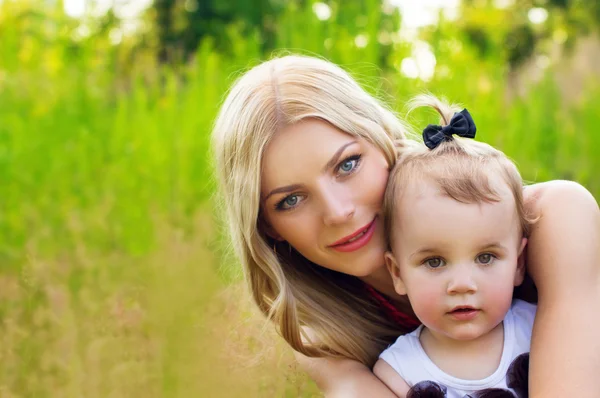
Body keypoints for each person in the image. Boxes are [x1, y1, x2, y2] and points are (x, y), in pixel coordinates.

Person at [211, 54, 600, 397]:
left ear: (384, 141)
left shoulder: (553, 219)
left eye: (347, 164)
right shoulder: (323, 335)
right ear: (269, 227)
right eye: (290, 200)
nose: (338, 211)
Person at [372, 98, 535, 398]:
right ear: (397, 273)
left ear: (519, 262)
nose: (461, 285)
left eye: (485, 257)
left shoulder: (538, 329)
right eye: (434, 262)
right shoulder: (397, 373)